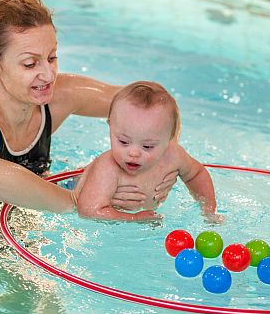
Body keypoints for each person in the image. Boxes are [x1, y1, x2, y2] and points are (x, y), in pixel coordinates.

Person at [0, 0, 176, 213]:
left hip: (16, 208)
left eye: (52, 58)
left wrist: (160, 163)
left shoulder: (62, 94)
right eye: (30, 63)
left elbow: (159, 107)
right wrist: (80, 202)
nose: (48, 75)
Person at [73, 81, 219, 222]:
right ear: (110, 126)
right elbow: (88, 210)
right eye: (123, 142)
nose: (134, 153)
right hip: (73, 188)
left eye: (148, 146)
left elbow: (197, 174)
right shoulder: (108, 168)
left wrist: (209, 210)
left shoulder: (173, 155)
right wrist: (132, 218)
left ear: (169, 139)